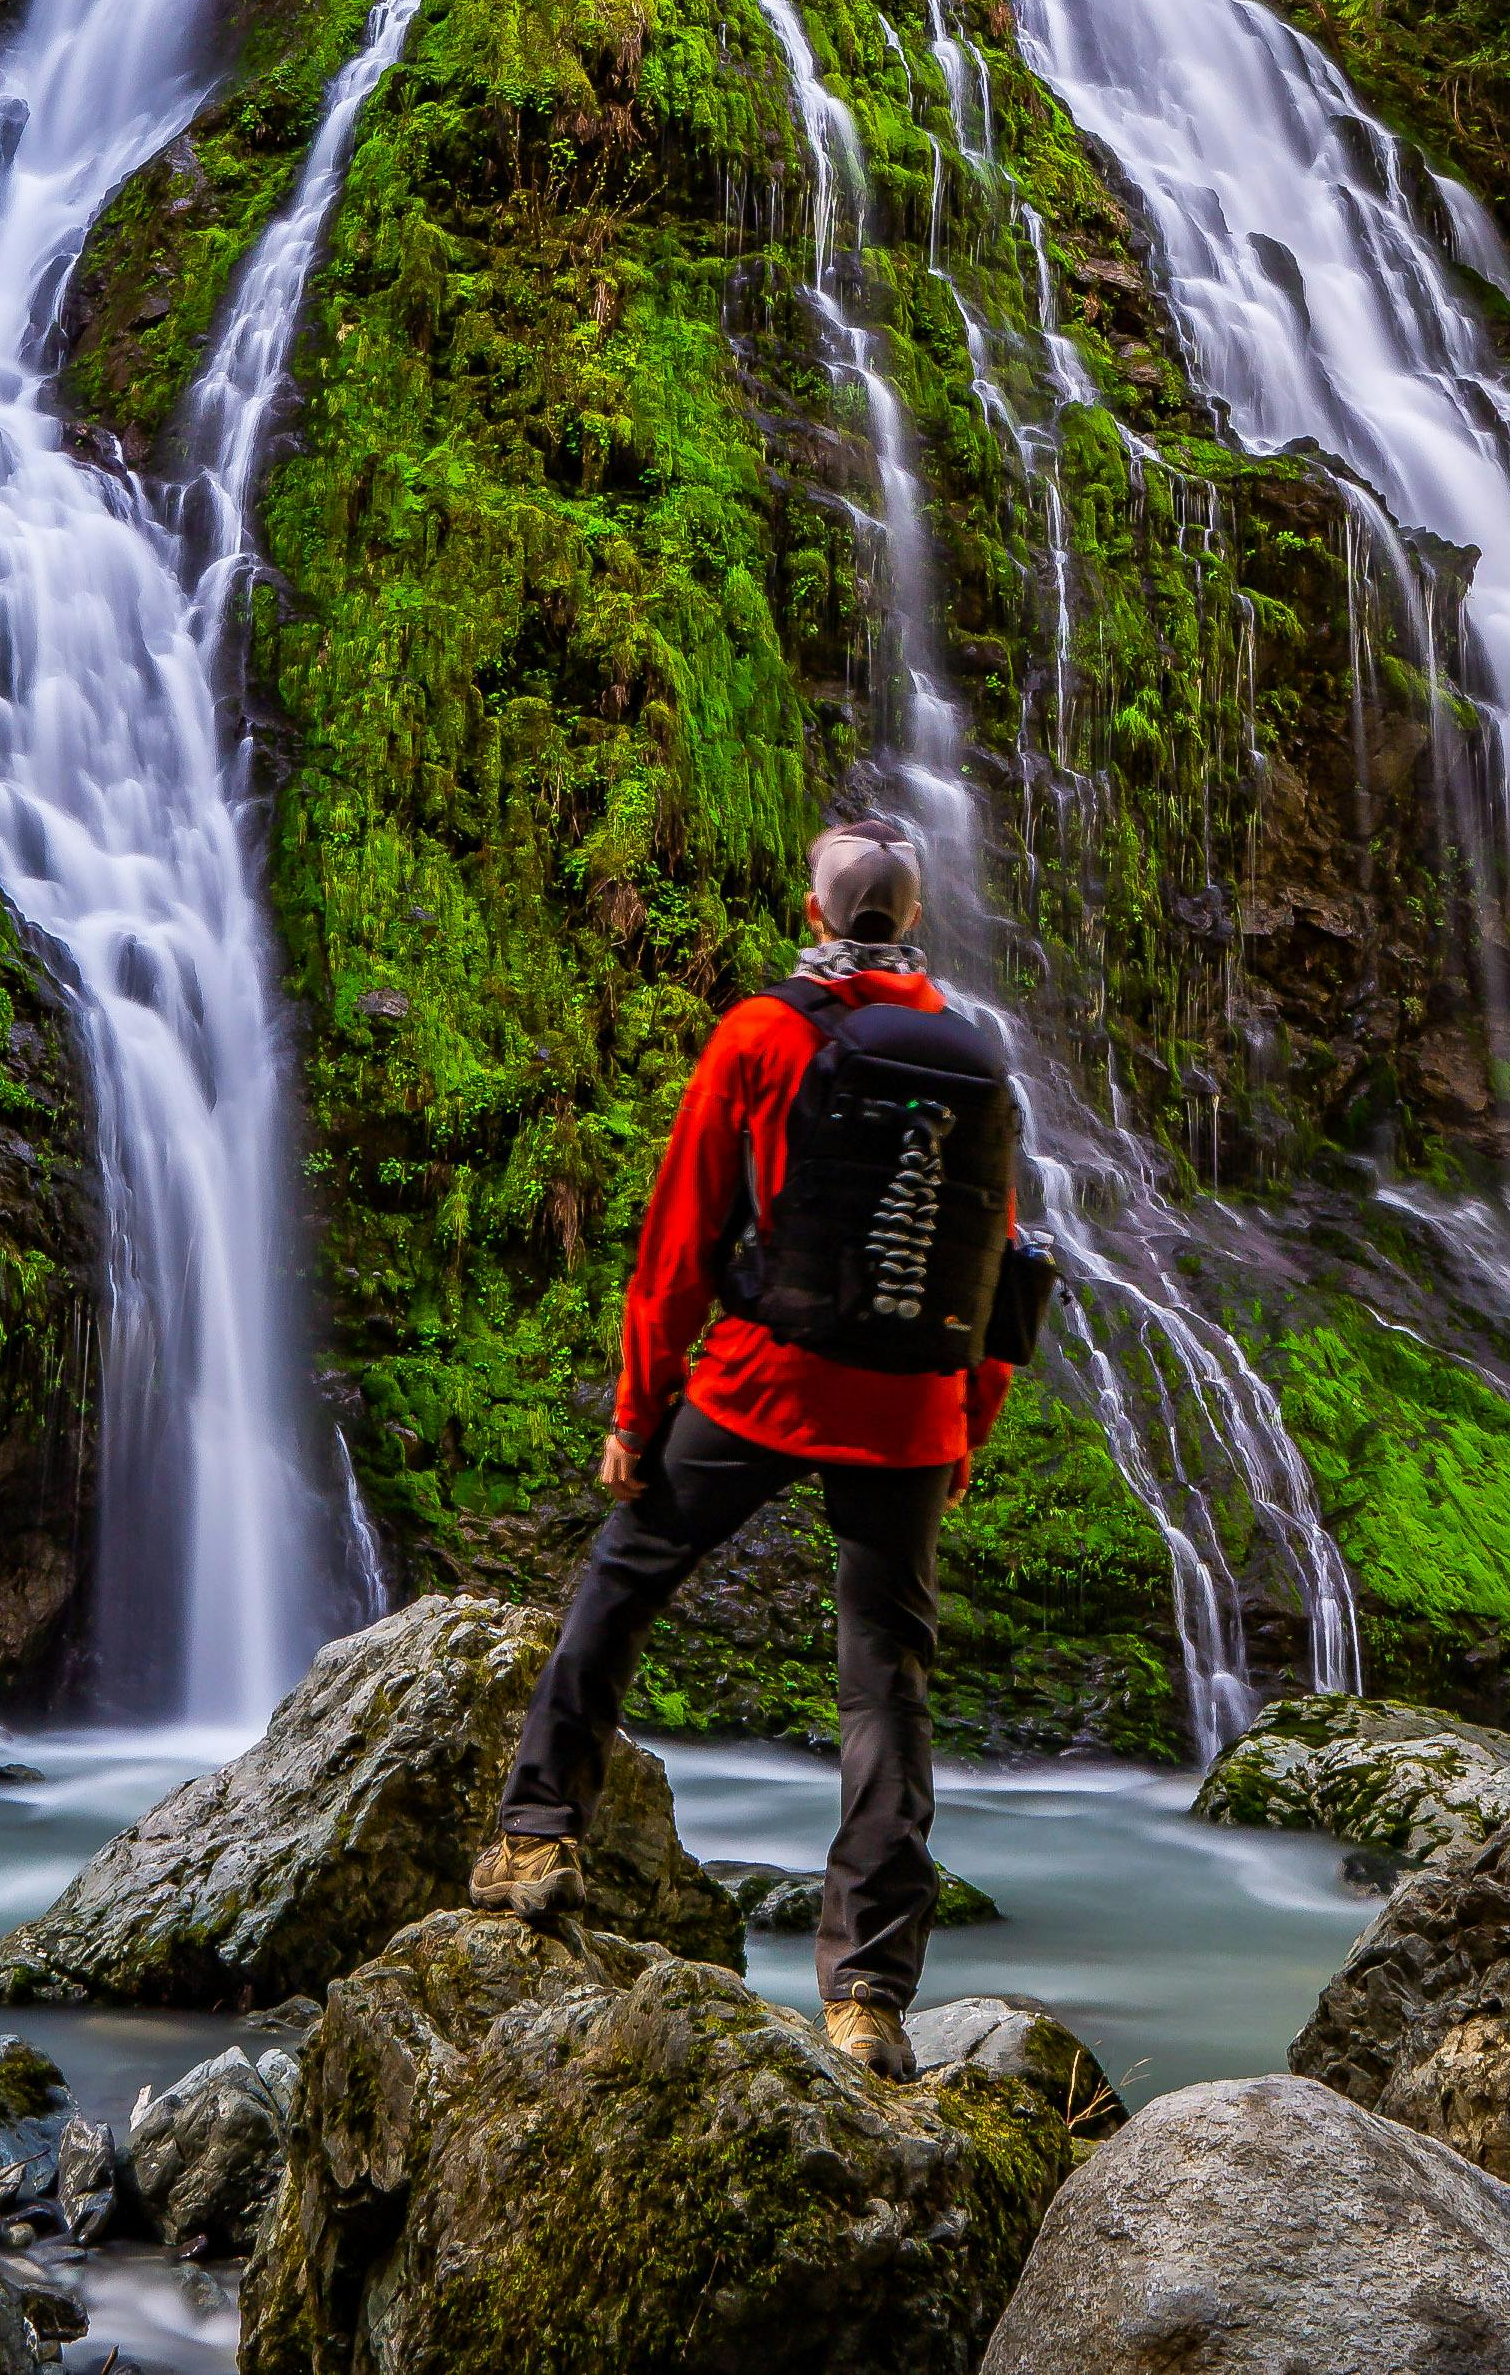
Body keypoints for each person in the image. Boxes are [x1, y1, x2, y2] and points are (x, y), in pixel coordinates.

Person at [469, 811, 1024, 2082]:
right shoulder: (975, 1058)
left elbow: (681, 1236)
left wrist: (636, 1410)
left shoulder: (765, 1034)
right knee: (888, 1683)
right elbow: (998, 1266)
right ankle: (869, 1995)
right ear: (917, 921)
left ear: (817, 915)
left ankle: (538, 1837)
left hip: (766, 1381)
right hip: (908, 1411)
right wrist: (963, 1426)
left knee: (627, 1574)